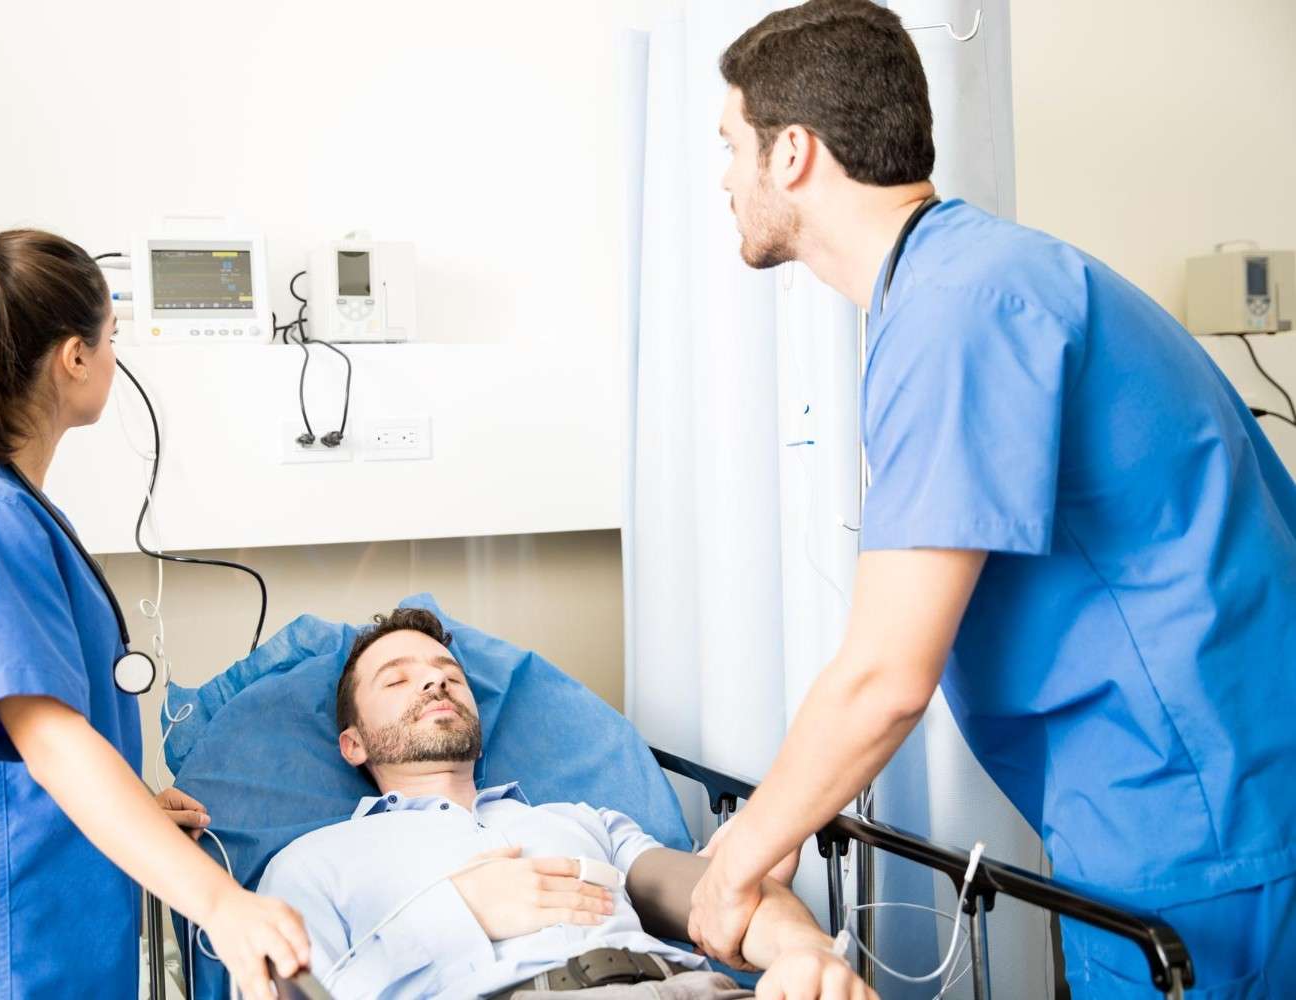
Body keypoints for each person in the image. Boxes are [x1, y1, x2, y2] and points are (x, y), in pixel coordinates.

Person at [684, 2, 1296, 995]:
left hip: (1199, 822)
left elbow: (887, 674)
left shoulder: (956, 312)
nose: (723, 176)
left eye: (730, 145)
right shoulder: (975, 278)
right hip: (1212, 797)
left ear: (791, 151)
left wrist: (740, 858)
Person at [0, 224, 310, 998]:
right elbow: (51, 737)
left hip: (5, 906)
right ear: (74, 357)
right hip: (2, 938)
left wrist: (132, 803)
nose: (112, 359)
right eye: (110, 341)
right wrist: (220, 904)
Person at [256, 608, 876, 1000]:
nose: (434, 680)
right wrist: (459, 913)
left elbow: (721, 893)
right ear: (353, 743)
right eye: (396, 679)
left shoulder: (580, 820)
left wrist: (806, 956)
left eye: (449, 673)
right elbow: (304, 993)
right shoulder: (314, 863)